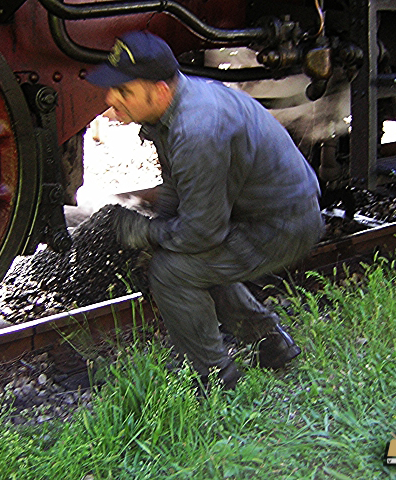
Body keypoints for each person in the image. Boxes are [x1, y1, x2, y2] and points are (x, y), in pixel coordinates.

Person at [86, 31, 323, 389]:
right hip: (258, 216)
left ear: (161, 91)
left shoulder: (197, 129)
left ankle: (215, 380)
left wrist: (143, 232)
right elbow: (177, 190)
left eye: (125, 92)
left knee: (172, 271)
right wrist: (161, 228)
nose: (110, 99)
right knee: (191, 259)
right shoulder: (175, 106)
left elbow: (202, 233)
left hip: (283, 225)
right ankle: (272, 345)